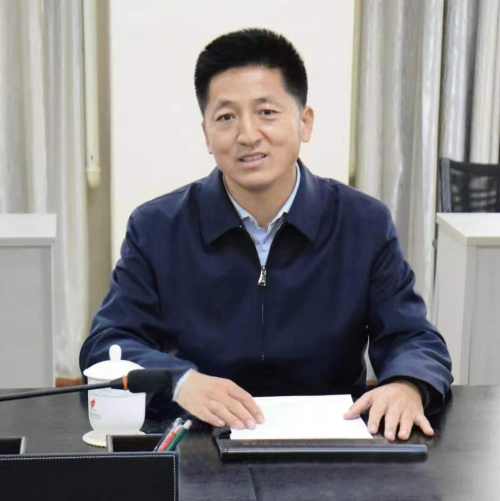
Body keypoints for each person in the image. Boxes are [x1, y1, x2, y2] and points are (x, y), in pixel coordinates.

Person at [80, 28, 453, 442]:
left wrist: (407, 384)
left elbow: (413, 336)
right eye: (226, 117)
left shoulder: (363, 223)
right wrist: (180, 380)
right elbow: (109, 342)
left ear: (304, 123)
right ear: (206, 134)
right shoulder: (157, 227)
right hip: (202, 441)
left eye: (267, 112)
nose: (248, 134)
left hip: (331, 446)